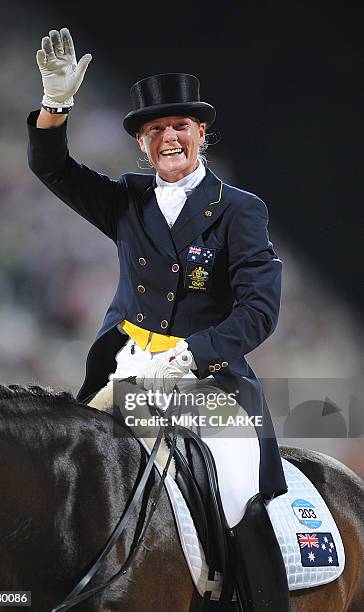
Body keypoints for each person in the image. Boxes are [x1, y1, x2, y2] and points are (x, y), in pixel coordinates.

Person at [28, 28, 290, 610]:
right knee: (59, 472)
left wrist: (195, 352)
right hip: (126, 373)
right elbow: (53, 169)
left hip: (203, 378)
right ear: (142, 146)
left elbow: (259, 310)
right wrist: (55, 106)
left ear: (200, 134)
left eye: (178, 127)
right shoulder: (128, 200)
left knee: (240, 487)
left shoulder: (240, 211)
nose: (168, 137)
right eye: (154, 131)